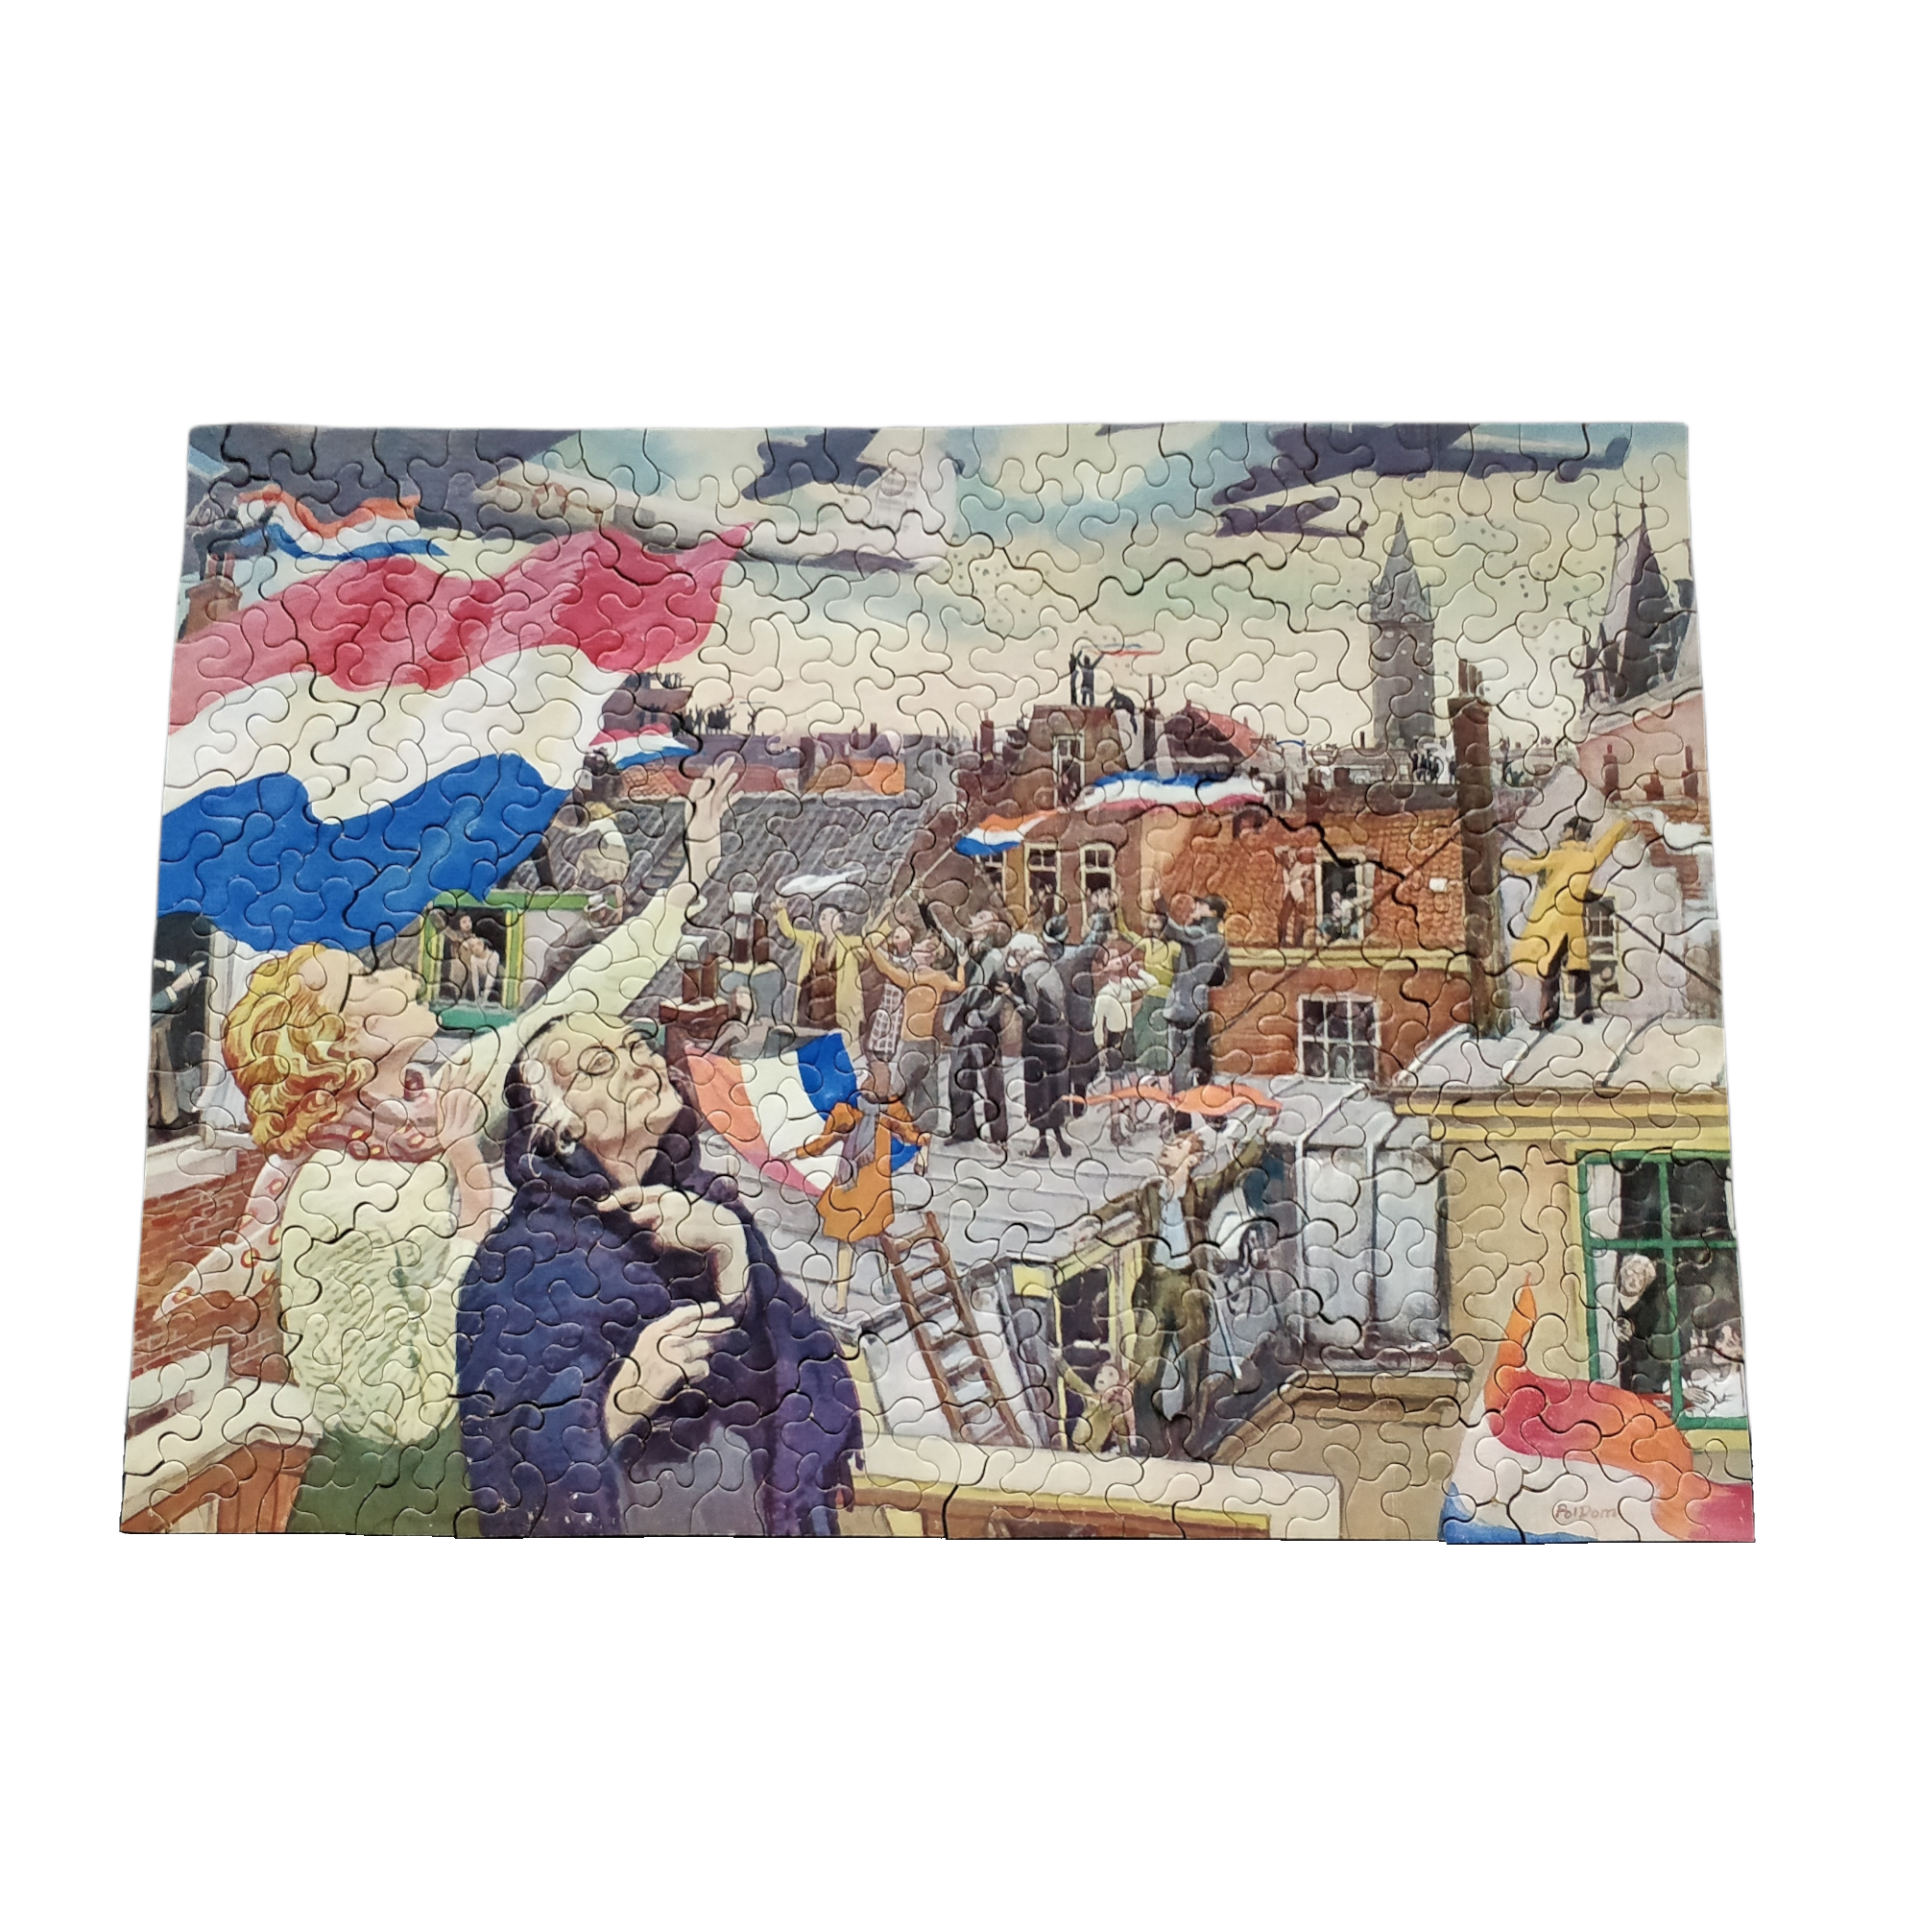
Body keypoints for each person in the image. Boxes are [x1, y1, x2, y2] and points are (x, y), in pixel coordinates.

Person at [170, 761, 742, 1533]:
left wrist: (690, 875)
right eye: (360, 983)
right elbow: (393, 1409)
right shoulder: (332, 1193)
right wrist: (475, 1216)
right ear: (339, 1046)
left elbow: (577, 997)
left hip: (479, 1471)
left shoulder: (435, 1103)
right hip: (390, 1503)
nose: (394, 976)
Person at [458, 1012, 860, 1535]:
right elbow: (506, 1469)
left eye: (636, 1045)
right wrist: (623, 1400)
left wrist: (731, 1253)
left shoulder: (711, 1206)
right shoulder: (516, 1260)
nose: (639, 1064)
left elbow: (792, 1374)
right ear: (559, 1125)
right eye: (599, 1065)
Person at [795, 1056, 930, 1318]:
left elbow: (915, 1135)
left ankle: (888, 1284)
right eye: (869, 1078)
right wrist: (797, 1153)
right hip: (849, 1187)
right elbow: (824, 1141)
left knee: (878, 1236)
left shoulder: (891, 1111)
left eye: (875, 1079)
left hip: (873, 1189)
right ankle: (842, 1300)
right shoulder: (848, 1111)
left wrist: (923, 1154)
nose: (869, 1083)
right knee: (847, 1241)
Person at [1503, 814, 1631, 1030]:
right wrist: (1623, 824)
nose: (1562, 833)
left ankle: (1548, 1015)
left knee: (1549, 971)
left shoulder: (1555, 856)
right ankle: (1584, 1012)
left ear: (1572, 832)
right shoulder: (1589, 857)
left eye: (1565, 829)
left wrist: (1503, 860)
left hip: (1553, 922)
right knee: (1578, 968)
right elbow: (1608, 842)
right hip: (1573, 923)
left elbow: (1525, 867)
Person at [863, 922, 964, 1134]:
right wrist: (962, 964)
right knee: (924, 1089)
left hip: (915, 1043)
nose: (916, 951)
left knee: (903, 1088)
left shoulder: (916, 978)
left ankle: (902, 1127)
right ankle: (918, 1129)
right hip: (922, 1044)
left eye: (923, 950)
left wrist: (872, 948)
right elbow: (959, 986)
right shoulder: (926, 977)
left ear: (930, 957)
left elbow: (886, 968)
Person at [923, 903, 1009, 1146]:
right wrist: (923, 906)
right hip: (961, 1024)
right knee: (958, 1077)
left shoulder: (996, 957)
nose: (975, 917)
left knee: (991, 1080)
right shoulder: (965, 949)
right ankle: (963, 1129)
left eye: (982, 915)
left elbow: (1002, 994)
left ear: (991, 927)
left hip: (984, 1027)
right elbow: (941, 933)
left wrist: (984, 1015)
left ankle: (998, 1135)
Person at [1159, 894, 1231, 1120]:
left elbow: (1174, 930)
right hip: (1199, 1008)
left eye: (1202, 905)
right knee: (1201, 1064)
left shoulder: (1200, 935)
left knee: (1179, 1069)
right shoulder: (1219, 940)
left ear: (1212, 913)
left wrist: (1159, 902)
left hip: (1182, 1010)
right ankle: (1212, 1114)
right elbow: (1224, 977)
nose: (1196, 906)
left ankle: (1182, 1119)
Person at [1006, 932, 1071, 1159]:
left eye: (1016, 953)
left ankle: (1044, 1143)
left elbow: (1031, 1011)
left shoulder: (1029, 973)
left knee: (1038, 1093)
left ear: (1023, 952)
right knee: (1053, 1091)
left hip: (1038, 1041)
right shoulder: (1048, 967)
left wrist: (1010, 995)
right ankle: (1060, 1141)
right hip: (1057, 1039)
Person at [773, 899, 866, 1043]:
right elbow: (789, 931)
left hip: (837, 1007)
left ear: (840, 924)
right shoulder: (813, 939)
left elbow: (872, 940)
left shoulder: (850, 943)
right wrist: (781, 910)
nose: (825, 917)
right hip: (811, 1006)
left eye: (831, 914)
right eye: (823, 915)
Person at [1116, 906, 1176, 1078]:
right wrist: (1118, 909)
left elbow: (1171, 973)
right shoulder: (1147, 943)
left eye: (1156, 919)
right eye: (1151, 919)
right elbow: (1126, 932)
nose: (1152, 921)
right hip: (1150, 994)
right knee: (1140, 1025)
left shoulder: (1174, 947)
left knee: (1159, 1032)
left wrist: (1144, 968)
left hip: (1164, 996)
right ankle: (1143, 1065)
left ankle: (1161, 1069)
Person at [149, 957, 205, 1130]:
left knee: (165, 1074)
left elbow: (183, 969)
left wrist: (169, 966)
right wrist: (175, 988)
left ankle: (170, 1116)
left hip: (158, 1030)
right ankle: (160, 1116)